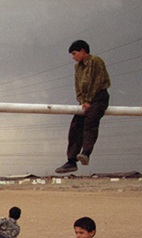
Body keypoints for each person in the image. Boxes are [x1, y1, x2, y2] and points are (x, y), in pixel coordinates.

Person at [56, 40, 110, 174]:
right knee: (76, 126)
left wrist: (89, 101)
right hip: (85, 100)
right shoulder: (77, 67)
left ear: (83, 51)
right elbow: (78, 86)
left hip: (99, 97)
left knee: (91, 121)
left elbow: (97, 82)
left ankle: (86, 153)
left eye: (74, 54)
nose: (73, 57)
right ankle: (71, 161)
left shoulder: (96, 61)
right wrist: (82, 101)